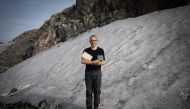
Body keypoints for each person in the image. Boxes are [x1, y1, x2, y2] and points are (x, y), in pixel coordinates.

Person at [81, 35, 107, 109]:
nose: (93, 42)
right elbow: (83, 61)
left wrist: (92, 61)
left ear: (97, 41)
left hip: (97, 72)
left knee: (97, 91)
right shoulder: (87, 50)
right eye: (92, 40)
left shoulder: (100, 50)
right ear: (89, 41)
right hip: (88, 73)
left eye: (95, 40)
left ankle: (96, 106)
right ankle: (89, 107)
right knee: (89, 92)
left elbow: (102, 62)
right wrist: (93, 62)